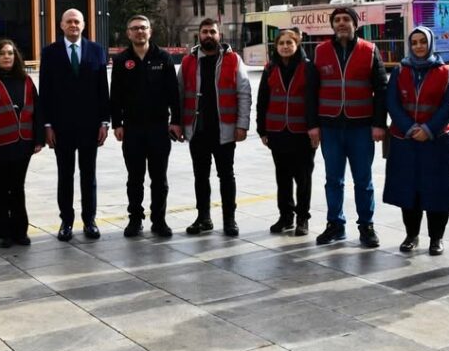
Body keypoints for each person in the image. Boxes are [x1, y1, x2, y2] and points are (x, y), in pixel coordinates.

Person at [383, 27, 449, 256]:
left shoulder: (445, 72)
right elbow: (392, 102)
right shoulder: (400, 71)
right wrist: (409, 128)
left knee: (438, 192)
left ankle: (436, 238)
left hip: (436, 141)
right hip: (405, 141)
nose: (418, 46)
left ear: (430, 44)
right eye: (414, 42)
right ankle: (412, 235)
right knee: (409, 191)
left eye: (422, 42)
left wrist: (428, 129)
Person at [314, 6, 388, 248]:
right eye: (337, 20)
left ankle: (366, 226)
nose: (342, 23)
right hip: (330, 127)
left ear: (355, 24)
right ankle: (335, 224)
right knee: (333, 179)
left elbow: (382, 90)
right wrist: (313, 125)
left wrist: (379, 124)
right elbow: (311, 92)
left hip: (361, 127)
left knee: (363, 180)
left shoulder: (370, 50)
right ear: (332, 25)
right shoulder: (320, 51)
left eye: (347, 19)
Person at [39, 8, 110, 241]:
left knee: (89, 176)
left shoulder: (97, 51)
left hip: (90, 127)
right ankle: (66, 222)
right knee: (65, 176)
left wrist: (104, 122)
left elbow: (102, 90)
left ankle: (89, 221)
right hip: (62, 128)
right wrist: (47, 125)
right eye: (68, 21)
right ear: (61, 25)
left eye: (77, 21)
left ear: (84, 24)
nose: (73, 25)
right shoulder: (50, 53)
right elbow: (46, 92)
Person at [178, 18, 253, 236]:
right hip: (197, 129)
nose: (208, 35)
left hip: (224, 129)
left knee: (226, 176)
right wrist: (179, 124)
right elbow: (179, 93)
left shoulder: (233, 59)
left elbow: (244, 93)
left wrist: (242, 125)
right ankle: (203, 218)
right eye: (204, 32)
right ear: (198, 35)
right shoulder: (188, 62)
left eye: (212, 32)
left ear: (219, 35)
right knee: (200, 177)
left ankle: (229, 220)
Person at [110, 14, 182, 238]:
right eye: (135, 28)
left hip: (159, 127)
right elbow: (116, 96)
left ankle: (159, 220)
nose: (139, 32)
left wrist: (176, 121)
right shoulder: (122, 60)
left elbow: (174, 93)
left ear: (150, 31)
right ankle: (135, 219)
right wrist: (117, 124)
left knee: (159, 178)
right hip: (132, 129)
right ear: (128, 33)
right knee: (135, 178)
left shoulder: (163, 58)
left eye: (143, 28)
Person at [0, 40, 44, 248]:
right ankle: (4, 234)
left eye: (10, 53)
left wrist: (38, 138)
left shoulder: (26, 80)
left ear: (16, 57)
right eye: (2, 53)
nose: (6, 57)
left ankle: (20, 232)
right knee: (2, 189)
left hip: (23, 143)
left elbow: (37, 110)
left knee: (18, 188)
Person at [256, 27, 320, 237]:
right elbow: (262, 101)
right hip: (277, 131)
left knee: (303, 178)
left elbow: (314, 100)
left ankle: (302, 218)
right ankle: (286, 217)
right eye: (281, 43)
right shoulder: (270, 68)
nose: (285, 47)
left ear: (297, 44)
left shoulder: (308, 67)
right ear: (276, 46)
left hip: (302, 132)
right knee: (282, 178)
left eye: (289, 43)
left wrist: (314, 129)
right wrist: (262, 129)